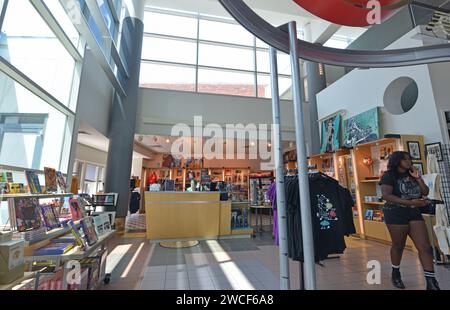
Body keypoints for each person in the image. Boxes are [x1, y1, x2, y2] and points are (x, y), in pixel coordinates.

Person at [380, 151, 440, 290]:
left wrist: (418, 178)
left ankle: (431, 282)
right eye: (405, 159)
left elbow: (425, 192)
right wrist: (409, 202)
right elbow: (386, 195)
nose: (409, 162)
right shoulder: (389, 176)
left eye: (409, 159)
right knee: (398, 246)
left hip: (414, 211)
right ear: (397, 161)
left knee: (425, 247)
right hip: (395, 213)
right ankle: (396, 273)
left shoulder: (412, 173)